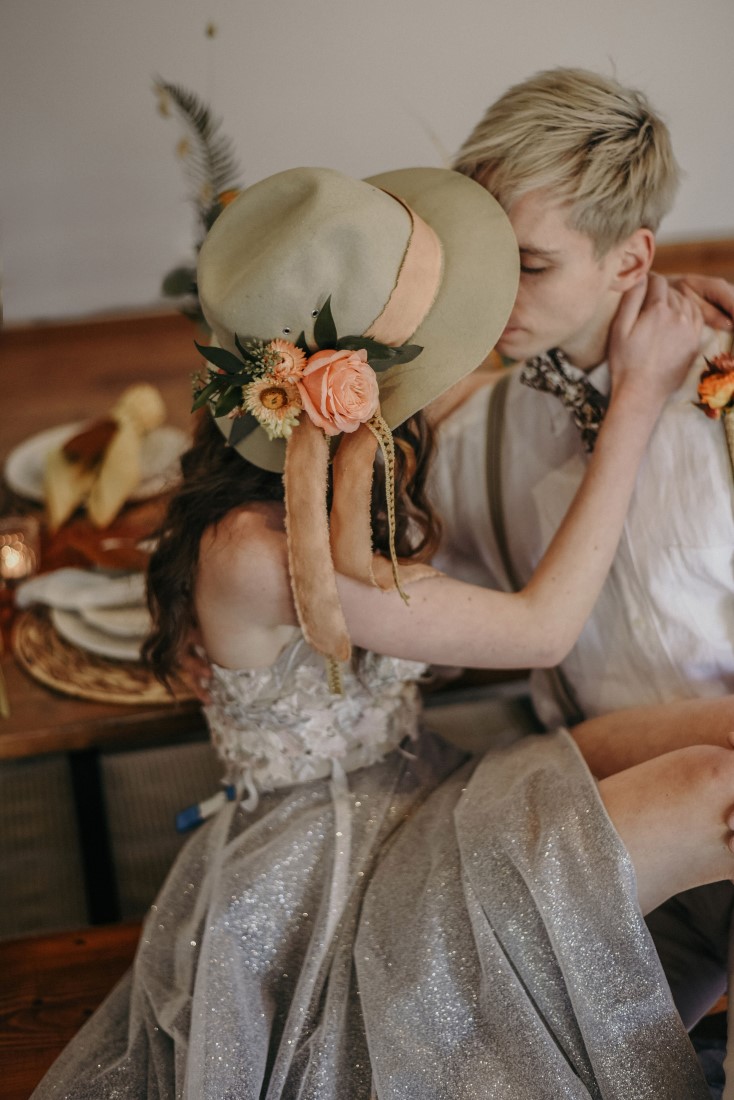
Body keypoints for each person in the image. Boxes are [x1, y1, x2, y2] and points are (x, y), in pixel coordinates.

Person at [31, 163, 730, 1099]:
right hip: (331, 872)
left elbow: (514, 364)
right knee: (717, 788)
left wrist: (669, 316)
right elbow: (544, 629)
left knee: (724, 736)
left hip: (423, 785)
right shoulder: (255, 549)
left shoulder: (358, 453)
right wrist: (638, 402)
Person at [428, 66, 734, 1040]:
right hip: (618, 834)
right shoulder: (476, 439)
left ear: (626, 258)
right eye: (482, 257)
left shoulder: (723, 397)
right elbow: (434, 626)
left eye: (528, 264)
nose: (493, 293)